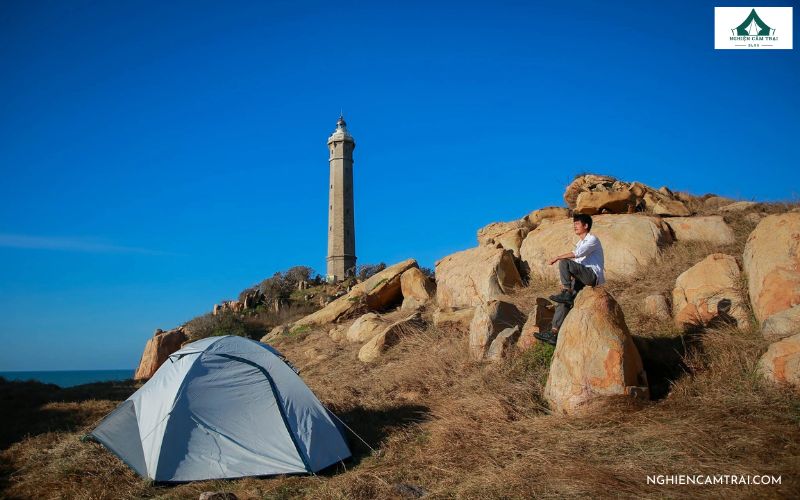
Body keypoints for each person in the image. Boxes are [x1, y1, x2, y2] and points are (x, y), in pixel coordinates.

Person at [533, 213, 605, 346]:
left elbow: (578, 255)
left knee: (564, 262)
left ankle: (567, 291)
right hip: (581, 279)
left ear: (586, 225)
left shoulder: (592, 239)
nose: (575, 226)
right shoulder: (579, 243)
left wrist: (557, 257)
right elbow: (577, 266)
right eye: (574, 224)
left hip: (592, 276)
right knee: (563, 303)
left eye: (577, 224)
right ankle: (554, 333)